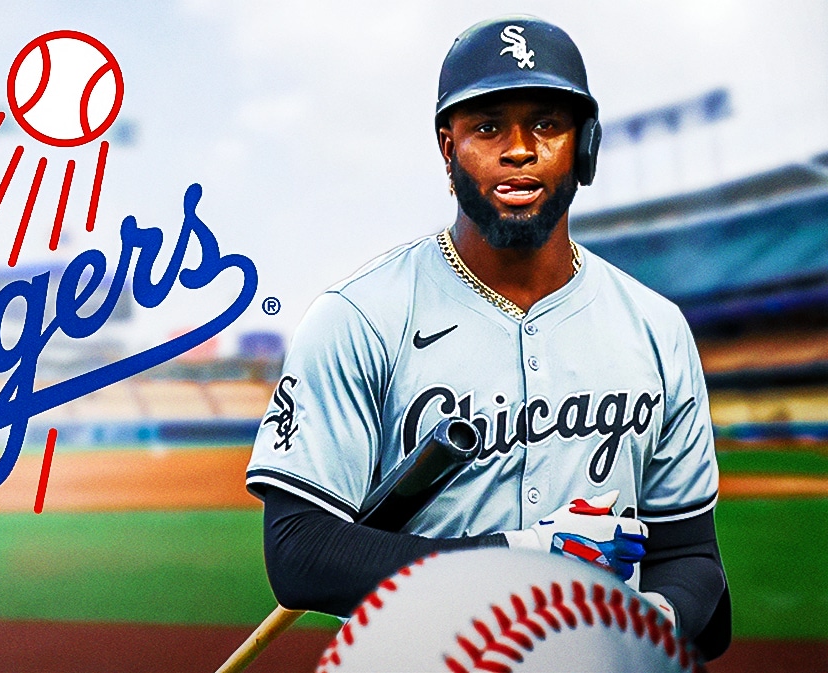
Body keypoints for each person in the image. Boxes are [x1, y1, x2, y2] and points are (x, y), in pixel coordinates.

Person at [245, 15, 730, 660]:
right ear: (448, 148)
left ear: (586, 146)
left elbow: (690, 553)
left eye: (547, 125)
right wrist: (525, 557)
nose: (520, 148)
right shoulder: (358, 317)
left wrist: (656, 617)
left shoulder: (655, 329)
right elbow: (302, 552)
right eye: (487, 127)